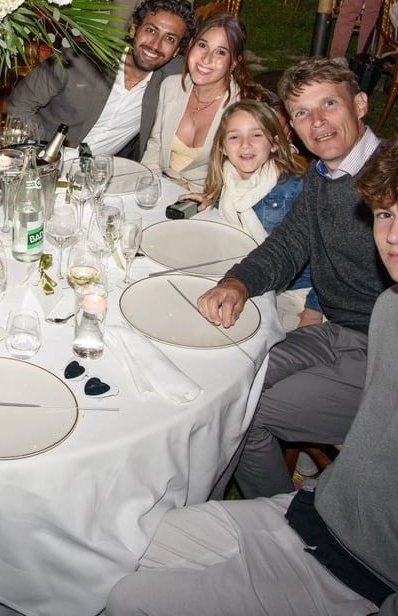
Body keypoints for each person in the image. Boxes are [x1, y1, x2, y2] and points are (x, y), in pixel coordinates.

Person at [106, 137, 398, 616]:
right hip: (310, 514)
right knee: (120, 543)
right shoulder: (390, 306)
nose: (391, 236)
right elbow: (288, 245)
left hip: (361, 573)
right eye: (384, 215)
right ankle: (251, 491)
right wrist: (238, 282)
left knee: (126, 599)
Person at [196, 58, 393, 501]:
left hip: (383, 354)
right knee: (228, 383)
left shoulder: (390, 179)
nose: (317, 121)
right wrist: (237, 283)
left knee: (245, 413)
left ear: (361, 104)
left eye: (329, 104)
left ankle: (285, 519)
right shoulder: (322, 177)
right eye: (302, 112)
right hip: (335, 332)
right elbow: (287, 245)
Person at [178, 100, 321, 329]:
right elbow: (237, 209)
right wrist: (212, 200)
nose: (245, 144)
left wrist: (315, 308)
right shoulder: (227, 180)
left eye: (256, 135)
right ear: (222, 148)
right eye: (234, 137)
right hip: (241, 270)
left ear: (274, 144)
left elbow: (324, 253)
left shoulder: (293, 189)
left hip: (291, 290)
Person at [6, 0, 194, 159]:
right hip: (43, 158)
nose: (155, 44)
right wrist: (41, 152)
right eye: (151, 30)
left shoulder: (174, 75)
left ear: (176, 51)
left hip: (102, 173)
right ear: (133, 30)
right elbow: (19, 104)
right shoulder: (78, 59)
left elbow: (208, 66)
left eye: (169, 38)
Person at [141, 13, 267, 191]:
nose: (206, 59)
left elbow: (259, 159)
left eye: (220, 52)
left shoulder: (242, 107)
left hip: (211, 198)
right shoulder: (171, 87)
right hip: (163, 189)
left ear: (233, 63)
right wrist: (146, 187)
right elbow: (156, 145)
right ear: (191, 45)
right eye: (202, 45)